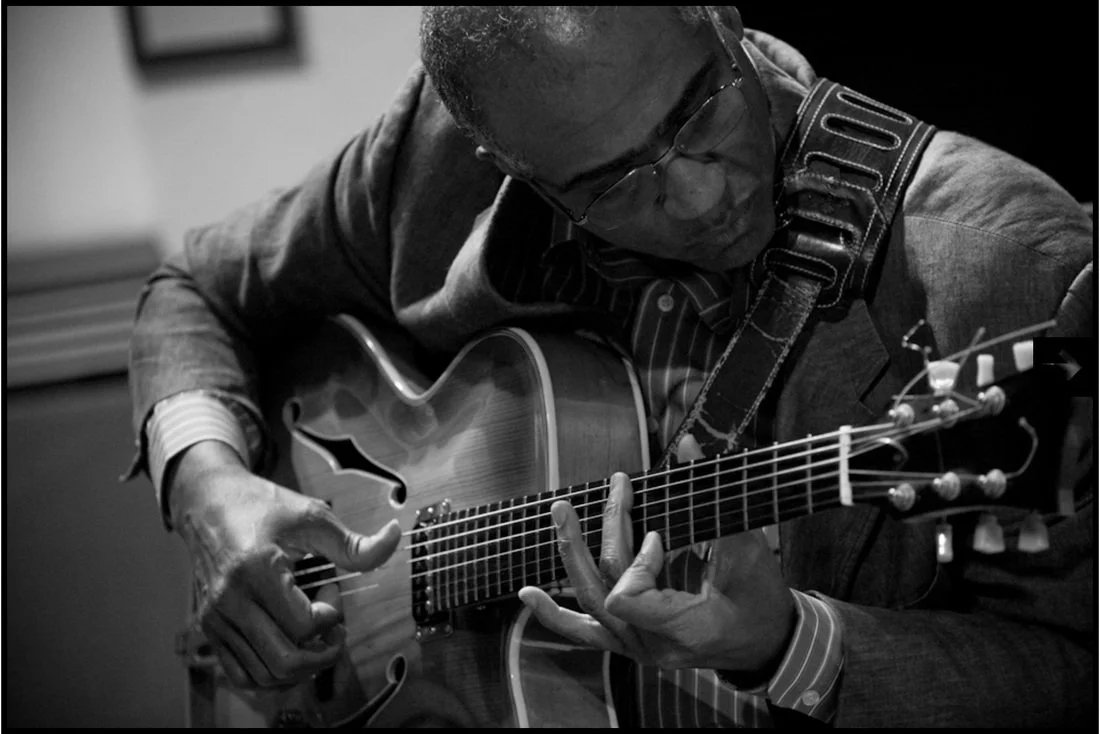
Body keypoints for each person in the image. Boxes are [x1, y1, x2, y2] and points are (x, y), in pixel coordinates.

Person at [126, 5, 1095, 727]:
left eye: (697, 109)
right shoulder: (434, 157)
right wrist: (208, 482)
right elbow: (196, 285)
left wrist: (785, 642)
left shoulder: (1001, 258)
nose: (693, 194)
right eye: (608, 182)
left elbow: (1075, 674)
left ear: (718, 19)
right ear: (504, 162)